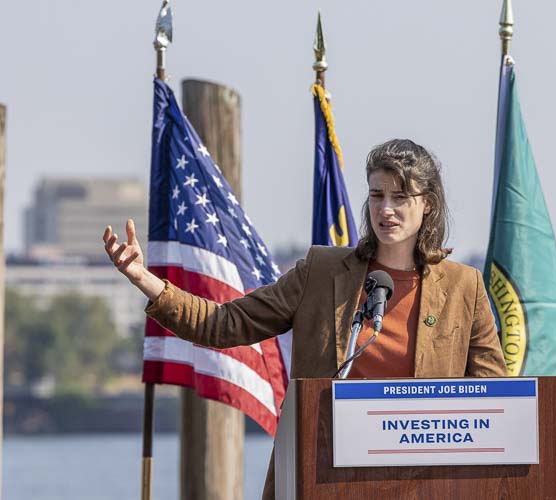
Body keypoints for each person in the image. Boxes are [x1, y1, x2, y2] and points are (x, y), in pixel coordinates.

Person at [103, 138, 507, 498]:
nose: (386, 210)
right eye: (377, 196)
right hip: (324, 476)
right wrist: (145, 279)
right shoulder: (322, 271)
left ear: (428, 204)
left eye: (400, 198)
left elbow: (495, 401)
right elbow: (224, 324)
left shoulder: (464, 287)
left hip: (425, 485)